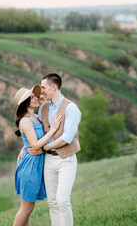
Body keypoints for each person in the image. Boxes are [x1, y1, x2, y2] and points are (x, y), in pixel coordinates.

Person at [28, 73, 81, 226]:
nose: (42, 91)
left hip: (66, 159)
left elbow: (67, 138)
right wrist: (26, 147)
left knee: (62, 200)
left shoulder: (71, 108)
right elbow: (36, 132)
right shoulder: (43, 108)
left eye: (43, 87)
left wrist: (44, 147)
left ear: (54, 87)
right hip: (48, 160)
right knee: (52, 202)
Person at [13, 84, 63, 226]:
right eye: (32, 97)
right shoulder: (26, 120)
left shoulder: (35, 117)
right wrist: (53, 129)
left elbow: (33, 140)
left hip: (37, 163)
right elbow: (35, 145)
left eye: (35, 96)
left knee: (29, 208)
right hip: (30, 165)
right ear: (25, 103)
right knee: (26, 208)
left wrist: (43, 102)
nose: (36, 98)